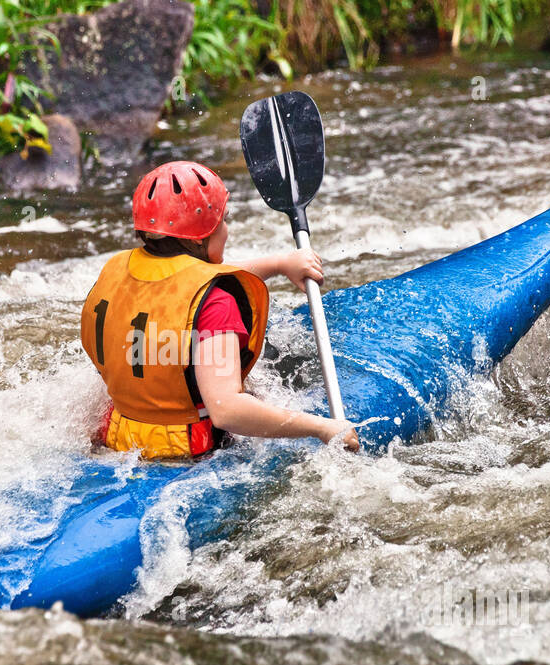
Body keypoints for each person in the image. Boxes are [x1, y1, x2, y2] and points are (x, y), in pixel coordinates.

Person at [80, 161, 360, 459]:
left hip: (118, 438)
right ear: (201, 236)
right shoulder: (217, 303)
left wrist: (278, 264)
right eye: (222, 221)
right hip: (186, 458)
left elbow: (184, 282)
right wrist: (322, 427)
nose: (226, 230)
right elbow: (227, 411)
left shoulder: (117, 269)